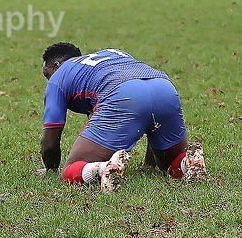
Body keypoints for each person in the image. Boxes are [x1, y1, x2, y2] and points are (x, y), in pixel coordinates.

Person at [38, 43, 206, 192]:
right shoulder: (113, 53)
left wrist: (51, 170)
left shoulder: (58, 77)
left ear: (56, 66)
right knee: (169, 164)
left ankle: (102, 169)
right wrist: (150, 165)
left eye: (47, 74)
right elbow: (146, 104)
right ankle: (187, 164)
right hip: (163, 86)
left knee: (71, 169)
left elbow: (50, 142)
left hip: (123, 94)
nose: (48, 79)